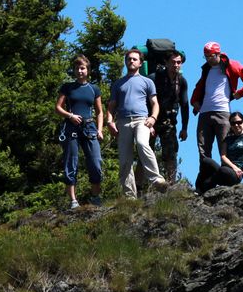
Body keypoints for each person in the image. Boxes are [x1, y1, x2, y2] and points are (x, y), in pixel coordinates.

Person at [190, 41, 243, 177]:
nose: (208, 59)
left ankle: (225, 181)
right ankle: (205, 183)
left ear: (218, 54)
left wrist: (242, 92)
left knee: (225, 151)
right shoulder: (206, 69)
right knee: (203, 151)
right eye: (206, 56)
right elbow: (199, 87)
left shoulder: (231, 65)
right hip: (204, 113)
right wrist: (194, 102)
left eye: (210, 56)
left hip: (223, 113)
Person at [107, 48, 167, 197]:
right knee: (125, 159)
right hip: (123, 121)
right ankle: (129, 196)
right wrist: (109, 122)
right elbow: (111, 106)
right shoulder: (118, 84)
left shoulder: (147, 81)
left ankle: (156, 179)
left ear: (140, 63)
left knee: (142, 143)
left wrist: (153, 118)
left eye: (134, 59)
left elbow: (155, 103)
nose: (131, 61)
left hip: (142, 120)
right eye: (129, 59)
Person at [55, 55, 104, 209]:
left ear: (88, 70)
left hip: (90, 128)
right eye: (77, 68)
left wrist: (100, 130)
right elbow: (58, 107)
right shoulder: (67, 87)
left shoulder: (93, 89)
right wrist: (70, 115)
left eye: (82, 68)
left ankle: (95, 197)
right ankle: (73, 201)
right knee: (71, 163)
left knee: (96, 162)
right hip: (71, 129)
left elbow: (100, 111)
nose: (80, 71)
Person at [196, 111, 243, 193]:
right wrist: (234, 167)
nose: (236, 125)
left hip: (236, 175)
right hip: (227, 169)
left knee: (223, 170)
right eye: (233, 123)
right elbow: (223, 156)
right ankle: (199, 189)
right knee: (206, 161)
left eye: (239, 122)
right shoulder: (227, 139)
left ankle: (205, 188)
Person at [147, 49, 189, 183]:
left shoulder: (181, 82)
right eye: (173, 62)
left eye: (179, 62)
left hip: (169, 123)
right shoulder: (154, 78)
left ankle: (171, 184)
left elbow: (184, 105)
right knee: (146, 153)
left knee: (171, 155)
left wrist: (184, 128)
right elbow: (144, 101)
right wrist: (147, 121)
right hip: (150, 121)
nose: (176, 65)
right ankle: (141, 187)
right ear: (166, 62)